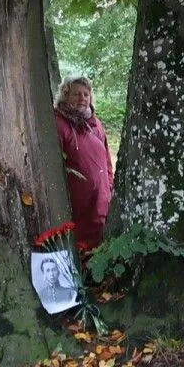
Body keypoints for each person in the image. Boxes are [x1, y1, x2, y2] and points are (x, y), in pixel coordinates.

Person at [53, 76, 114, 255]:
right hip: (77, 202)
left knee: (99, 247)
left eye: (86, 94)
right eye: (76, 94)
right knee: (79, 247)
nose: (82, 99)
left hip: (102, 199)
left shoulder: (96, 125)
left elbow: (107, 161)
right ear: (65, 95)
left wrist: (108, 185)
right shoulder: (59, 123)